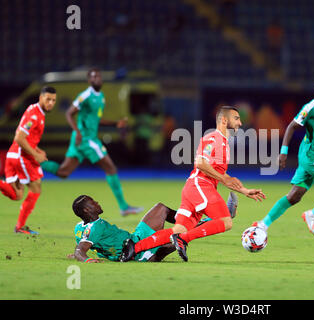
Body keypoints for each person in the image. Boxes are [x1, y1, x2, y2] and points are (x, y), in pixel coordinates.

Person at [119, 106, 266, 262]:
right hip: (200, 186)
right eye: (236, 118)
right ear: (224, 120)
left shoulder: (223, 143)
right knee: (226, 221)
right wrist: (223, 179)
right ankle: (183, 239)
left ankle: (134, 248)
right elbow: (200, 162)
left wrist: (244, 190)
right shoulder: (213, 138)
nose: (240, 122)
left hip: (195, 189)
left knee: (178, 229)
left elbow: (221, 175)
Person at [252, 73, 314, 237]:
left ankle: (263, 224)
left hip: (313, 154)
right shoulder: (310, 107)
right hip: (312, 158)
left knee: (294, 196)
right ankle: (313, 214)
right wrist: (283, 152)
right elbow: (291, 126)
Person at [40, 68, 142, 216]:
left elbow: (96, 118)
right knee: (111, 168)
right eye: (94, 77)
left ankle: (35, 161)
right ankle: (124, 206)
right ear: (89, 81)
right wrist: (79, 131)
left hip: (82, 139)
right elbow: (69, 113)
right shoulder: (85, 95)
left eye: (99, 77)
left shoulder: (101, 97)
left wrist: (115, 124)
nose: (97, 79)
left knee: (63, 172)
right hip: (86, 139)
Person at [68, 192, 239, 263]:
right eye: (94, 203)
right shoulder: (95, 228)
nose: (98, 203)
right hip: (137, 252)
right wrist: (84, 258)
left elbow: (81, 246)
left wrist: (78, 254)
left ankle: (214, 218)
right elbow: (80, 250)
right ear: (87, 210)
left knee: (160, 208)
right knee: (180, 235)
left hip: (135, 238)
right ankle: (221, 218)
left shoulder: (79, 227)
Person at [0, 86, 57, 234]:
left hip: (14, 155)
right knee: (36, 187)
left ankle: (19, 226)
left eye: (53, 100)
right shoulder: (35, 115)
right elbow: (19, 138)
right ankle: (19, 227)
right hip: (21, 156)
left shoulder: (37, 112)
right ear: (40, 97)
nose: (51, 103)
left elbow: (20, 134)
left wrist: (37, 150)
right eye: (48, 99)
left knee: (17, 195)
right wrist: (35, 154)